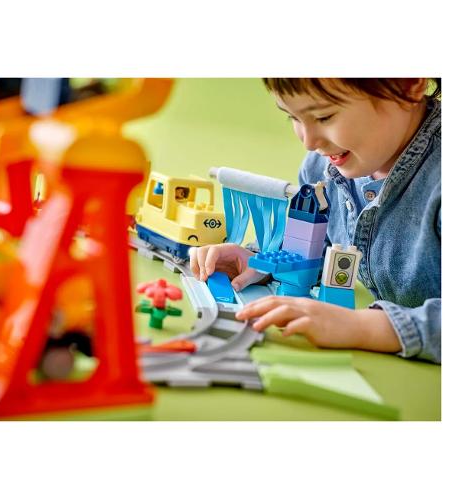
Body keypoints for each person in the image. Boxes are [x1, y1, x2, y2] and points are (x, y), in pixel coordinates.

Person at [189, 78, 441, 364]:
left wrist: (361, 327)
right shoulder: (324, 165)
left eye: (324, 117)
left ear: (408, 85)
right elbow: (320, 245)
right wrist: (261, 261)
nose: (309, 142)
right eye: (293, 118)